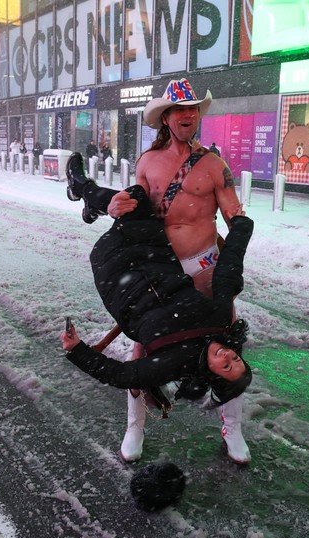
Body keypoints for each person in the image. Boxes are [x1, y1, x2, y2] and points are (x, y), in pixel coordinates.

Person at [76, 78, 250, 464]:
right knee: (143, 348)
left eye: (193, 109)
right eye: (180, 110)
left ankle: (232, 427)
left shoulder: (214, 165)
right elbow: (133, 208)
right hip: (158, 274)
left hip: (206, 270)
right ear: (167, 118)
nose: (188, 115)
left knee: (227, 348)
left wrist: (240, 231)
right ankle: (135, 425)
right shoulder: (148, 163)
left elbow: (233, 213)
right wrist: (114, 206)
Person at [60, 173, 253, 433]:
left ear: (212, 374)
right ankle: (86, 192)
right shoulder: (219, 321)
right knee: (134, 196)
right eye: (236, 360)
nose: (228, 356)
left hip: (114, 271)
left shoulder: (173, 364)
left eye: (226, 366)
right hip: (152, 253)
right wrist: (241, 227)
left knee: (126, 203)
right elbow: (228, 271)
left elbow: (120, 375)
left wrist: (76, 350)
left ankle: (86, 193)